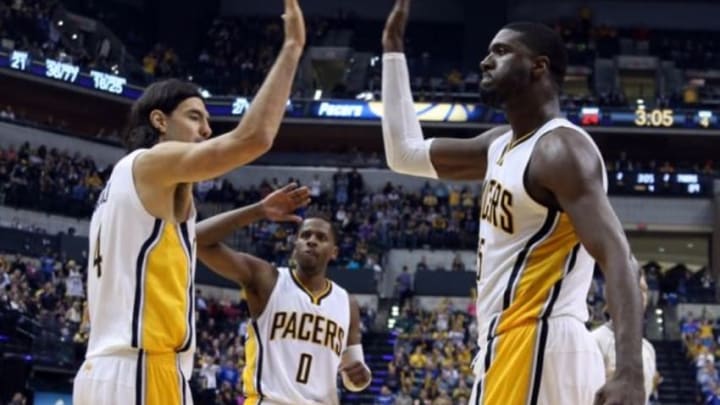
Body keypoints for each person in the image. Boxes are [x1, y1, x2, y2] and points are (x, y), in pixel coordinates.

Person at [380, 1, 644, 404]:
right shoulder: (499, 144)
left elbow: (618, 256)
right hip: (510, 342)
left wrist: (629, 372)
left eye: (501, 51)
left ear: (539, 66)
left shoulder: (560, 149)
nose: (486, 61)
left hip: (539, 337)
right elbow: (403, 154)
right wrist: (393, 47)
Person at [72, 1, 307, 403]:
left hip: (104, 370)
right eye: (195, 117)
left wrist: (257, 211)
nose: (206, 128)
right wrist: (292, 49)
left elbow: (189, 241)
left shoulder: (127, 185)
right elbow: (253, 139)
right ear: (160, 121)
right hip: (144, 369)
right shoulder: (153, 161)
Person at [197, 213, 372, 404]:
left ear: (334, 252)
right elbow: (198, 238)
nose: (311, 241)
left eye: (321, 238)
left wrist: (362, 378)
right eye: (305, 235)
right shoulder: (268, 281)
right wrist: (260, 209)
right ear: (295, 244)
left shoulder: (347, 303)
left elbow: (353, 376)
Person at [592, 271, 660, 404]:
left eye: (644, 290)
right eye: (635, 288)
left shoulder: (649, 349)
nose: (642, 295)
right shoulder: (594, 341)